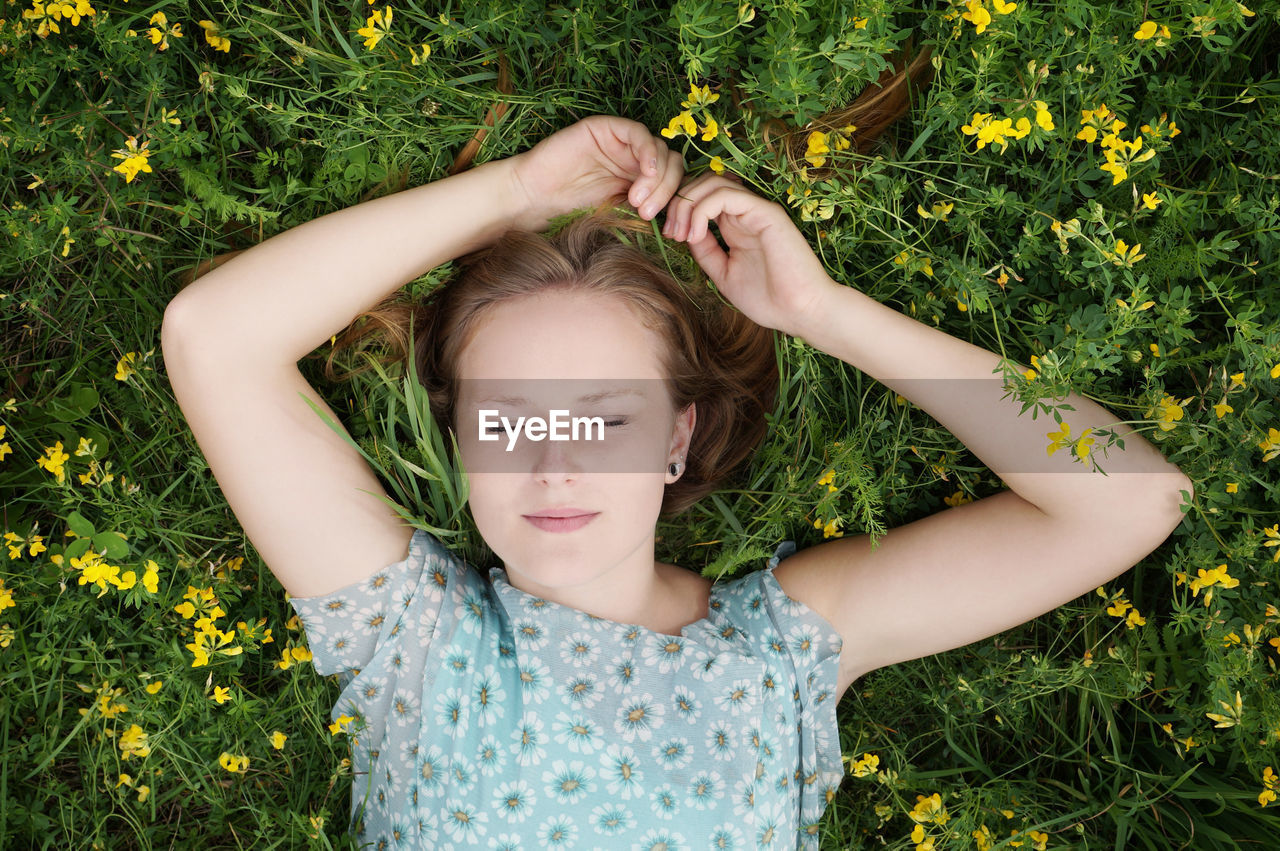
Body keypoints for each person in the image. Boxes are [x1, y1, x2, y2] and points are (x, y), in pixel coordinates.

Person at [161, 70, 1193, 851]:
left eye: (602, 419)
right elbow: (215, 338)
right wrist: (512, 194)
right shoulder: (410, 643)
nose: (552, 467)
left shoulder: (783, 650)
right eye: (509, 420)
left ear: (674, 435)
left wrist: (820, 313)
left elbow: (1127, 502)